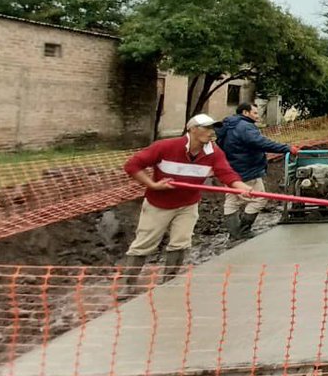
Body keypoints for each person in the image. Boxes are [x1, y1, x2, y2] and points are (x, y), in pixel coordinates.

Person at [119, 114, 253, 287]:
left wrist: (239, 186)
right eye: (207, 127)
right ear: (192, 129)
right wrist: (152, 185)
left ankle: (169, 283)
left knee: (181, 243)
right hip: (159, 204)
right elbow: (132, 166)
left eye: (213, 128)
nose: (211, 132)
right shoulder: (167, 146)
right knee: (144, 243)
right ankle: (127, 285)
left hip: (188, 204)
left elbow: (225, 172)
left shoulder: (213, 152)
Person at [215, 102, 300, 239]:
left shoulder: (228, 126)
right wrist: (286, 148)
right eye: (254, 113)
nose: (257, 116)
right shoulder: (245, 127)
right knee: (260, 198)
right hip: (247, 169)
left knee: (231, 200)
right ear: (245, 113)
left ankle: (234, 232)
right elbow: (261, 143)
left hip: (231, 169)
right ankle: (242, 230)